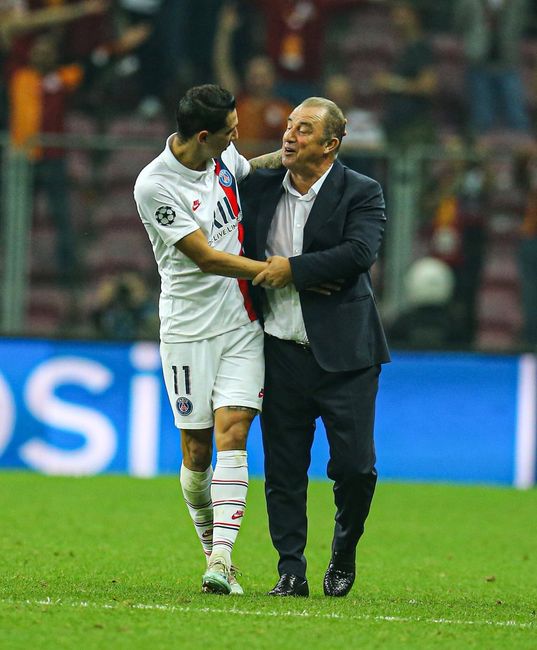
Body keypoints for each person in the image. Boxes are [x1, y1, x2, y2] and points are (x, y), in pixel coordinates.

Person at [133, 84, 283, 595]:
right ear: (203, 135)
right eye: (230, 132)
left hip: (240, 321)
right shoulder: (155, 185)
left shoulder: (222, 159)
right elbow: (206, 258)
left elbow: (247, 168)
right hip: (187, 329)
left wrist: (286, 157)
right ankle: (211, 550)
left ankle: (221, 559)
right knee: (196, 453)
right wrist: (271, 271)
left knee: (234, 430)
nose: (236, 137)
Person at [240, 97, 390, 597]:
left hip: (347, 355)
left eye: (304, 129)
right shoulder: (260, 186)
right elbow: (218, 183)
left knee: (355, 468)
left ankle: (343, 551)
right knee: (283, 469)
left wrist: (294, 270)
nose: (290, 134)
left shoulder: (361, 190)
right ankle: (291, 569)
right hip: (280, 349)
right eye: (288, 126)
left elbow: (360, 253)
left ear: (331, 144)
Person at [454, 0, 530, 137]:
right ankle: (481, 146)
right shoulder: (469, 2)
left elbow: (520, 24)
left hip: (507, 61)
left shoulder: (517, 3)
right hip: (479, 61)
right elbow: (459, 23)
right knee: (481, 115)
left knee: (516, 113)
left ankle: (523, 146)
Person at [373, 1, 437, 149]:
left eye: (401, 11)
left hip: (414, 126)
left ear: (413, 16)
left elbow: (428, 86)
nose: (395, 16)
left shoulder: (420, 47)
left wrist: (392, 83)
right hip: (395, 123)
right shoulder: (402, 48)